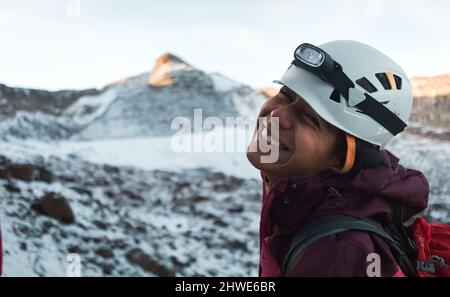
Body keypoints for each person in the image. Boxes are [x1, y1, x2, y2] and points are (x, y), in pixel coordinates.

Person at [246, 40, 429, 277]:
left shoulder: (340, 253)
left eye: (311, 118)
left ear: (344, 157)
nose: (278, 114)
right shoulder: (307, 212)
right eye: (285, 94)